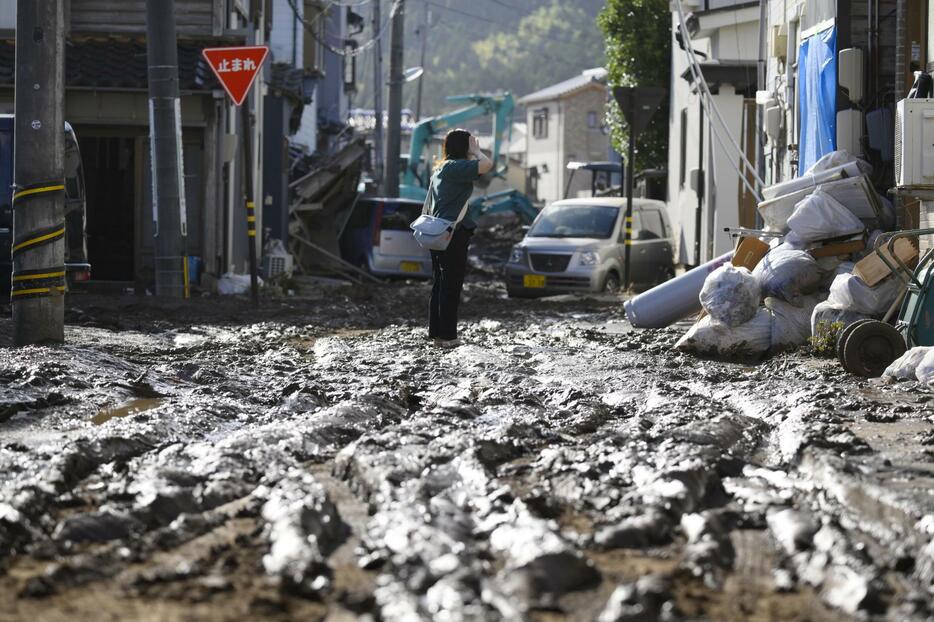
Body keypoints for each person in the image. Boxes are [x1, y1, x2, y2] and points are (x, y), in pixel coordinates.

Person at [426, 129, 493, 347]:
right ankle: (448, 337)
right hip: (453, 233)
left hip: (439, 233)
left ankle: (437, 334)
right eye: (469, 143)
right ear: (463, 146)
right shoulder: (455, 167)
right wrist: (476, 151)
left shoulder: (441, 168)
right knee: (451, 284)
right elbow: (486, 165)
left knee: (440, 284)